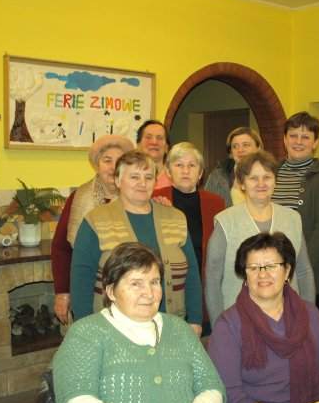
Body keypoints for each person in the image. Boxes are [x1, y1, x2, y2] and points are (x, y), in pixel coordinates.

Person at [54, 243, 225, 403]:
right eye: (136, 283)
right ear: (111, 291)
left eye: (154, 282)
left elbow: (212, 388)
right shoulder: (86, 334)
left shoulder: (179, 329)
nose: (149, 293)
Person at [208, 232, 319, 403]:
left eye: (271, 266)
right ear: (245, 275)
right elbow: (231, 397)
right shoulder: (228, 325)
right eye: (254, 268)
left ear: (287, 270)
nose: (263, 274)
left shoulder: (309, 315)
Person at [70, 150, 203, 335]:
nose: (142, 183)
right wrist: (86, 329)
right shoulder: (95, 220)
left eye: (148, 177)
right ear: (118, 181)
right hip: (114, 331)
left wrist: (195, 319)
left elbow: (192, 273)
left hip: (171, 326)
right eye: (134, 177)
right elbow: (81, 280)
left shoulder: (176, 217)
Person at [205, 150, 316, 326]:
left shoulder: (292, 219)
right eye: (253, 178)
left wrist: (309, 318)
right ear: (242, 183)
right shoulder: (225, 222)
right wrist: (219, 326)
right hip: (238, 322)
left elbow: (304, 271)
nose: (261, 184)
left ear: (275, 181)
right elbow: (212, 278)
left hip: (287, 319)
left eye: (267, 177)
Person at [51, 134, 134, 323]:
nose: (113, 167)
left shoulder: (137, 198)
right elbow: (61, 248)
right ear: (97, 165)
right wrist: (62, 292)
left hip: (129, 289)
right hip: (86, 288)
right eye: (107, 160)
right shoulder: (79, 198)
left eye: (119, 161)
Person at [272, 112, 319, 312]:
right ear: (285, 139)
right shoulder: (270, 173)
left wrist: (293, 267)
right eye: (293, 135)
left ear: (315, 142)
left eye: (305, 137)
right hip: (271, 271)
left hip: (308, 273)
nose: (298, 142)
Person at [153, 142, 225, 273]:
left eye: (192, 165)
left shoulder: (216, 203)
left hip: (203, 278)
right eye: (179, 165)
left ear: (200, 173)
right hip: (165, 276)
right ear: (168, 171)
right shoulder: (155, 198)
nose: (185, 171)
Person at [204, 126, 263, 207]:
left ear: (258, 148)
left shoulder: (270, 174)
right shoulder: (217, 177)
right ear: (231, 152)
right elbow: (207, 207)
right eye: (235, 146)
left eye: (246, 145)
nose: (240, 150)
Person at [136, 119, 172, 190]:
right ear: (138, 145)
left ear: (166, 148)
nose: (154, 142)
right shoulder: (130, 179)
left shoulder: (175, 179)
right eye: (148, 137)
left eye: (159, 138)